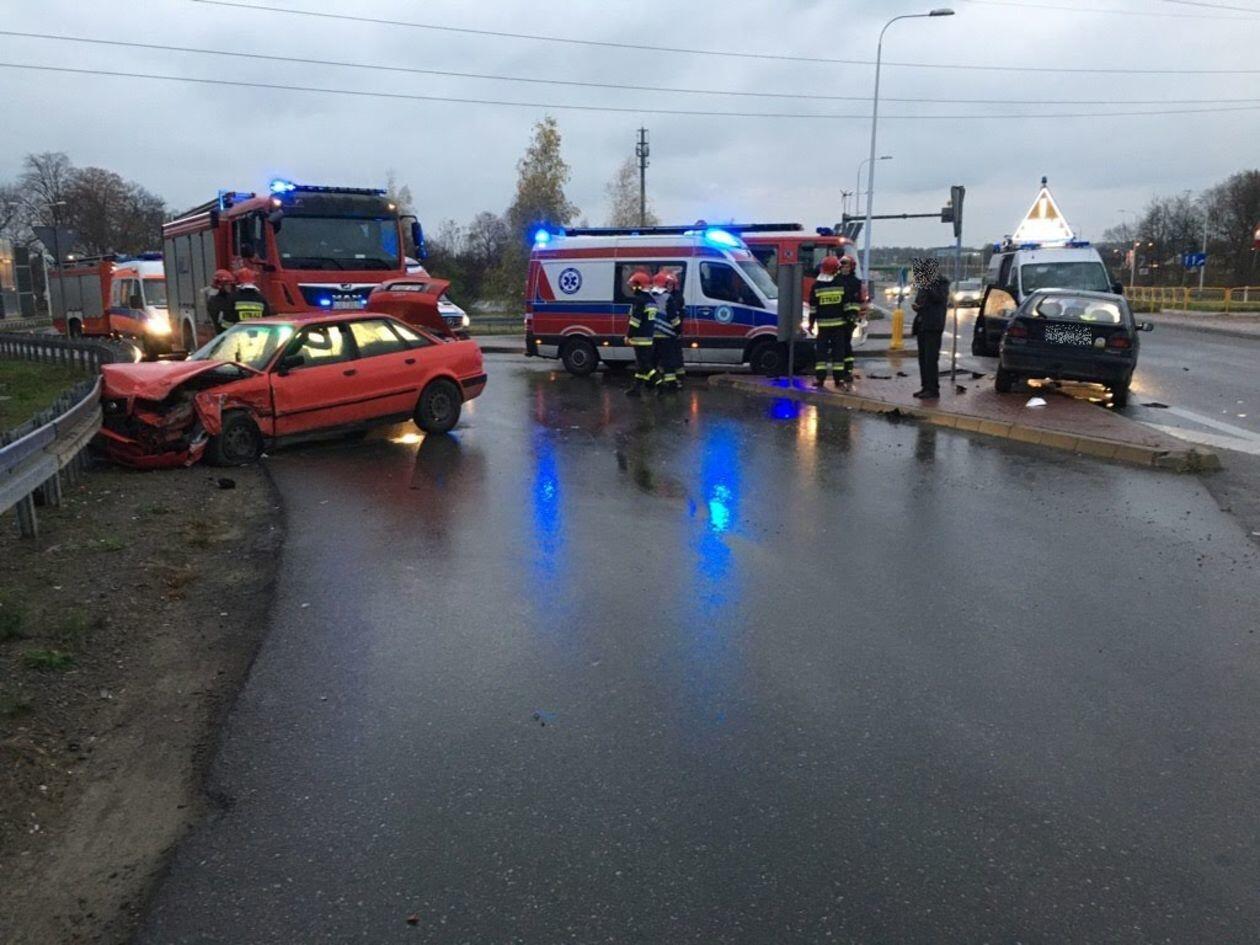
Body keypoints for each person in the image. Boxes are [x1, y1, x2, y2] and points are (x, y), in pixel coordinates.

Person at [808, 255, 862, 390]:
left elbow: (813, 308)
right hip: (839, 327)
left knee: (821, 354)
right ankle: (839, 380)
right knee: (838, 354)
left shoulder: (817, 286)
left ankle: (820, 378)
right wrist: (850, 318)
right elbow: (847, 305)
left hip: (823, 327)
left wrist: (811, 323)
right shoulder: (841, 284)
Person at [910, 257, 950, 399]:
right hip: (922, 324)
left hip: (933, 325)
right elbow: (920, 300)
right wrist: (917, 306)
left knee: (931, 358)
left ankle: (933, 389)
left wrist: (928, 285)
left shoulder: (941, 282)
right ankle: (925, 386)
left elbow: (938, 298)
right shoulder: (923, 284)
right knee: (923, 358)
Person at [624, 271, 658, 397]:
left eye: (633, 285)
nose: (632, 288)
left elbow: (635, 321)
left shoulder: (639, 301)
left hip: (639, 338)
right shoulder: (651, 300)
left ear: (639, 285)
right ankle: (636, 388)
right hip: (648, 337)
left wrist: (628, 336)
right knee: (641, 365)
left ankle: (660, 383)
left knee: (645, 365)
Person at [651, 271, 683, 393]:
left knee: (652, 361)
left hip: (651, 335)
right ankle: (671, 384)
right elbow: (674, 318)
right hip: (667, 335)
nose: (670, 287)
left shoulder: (649, 296)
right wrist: (678, 330)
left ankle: (652, 382)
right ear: (664, 284)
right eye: (668, 284)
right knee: (668, 361)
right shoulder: (668, 298)